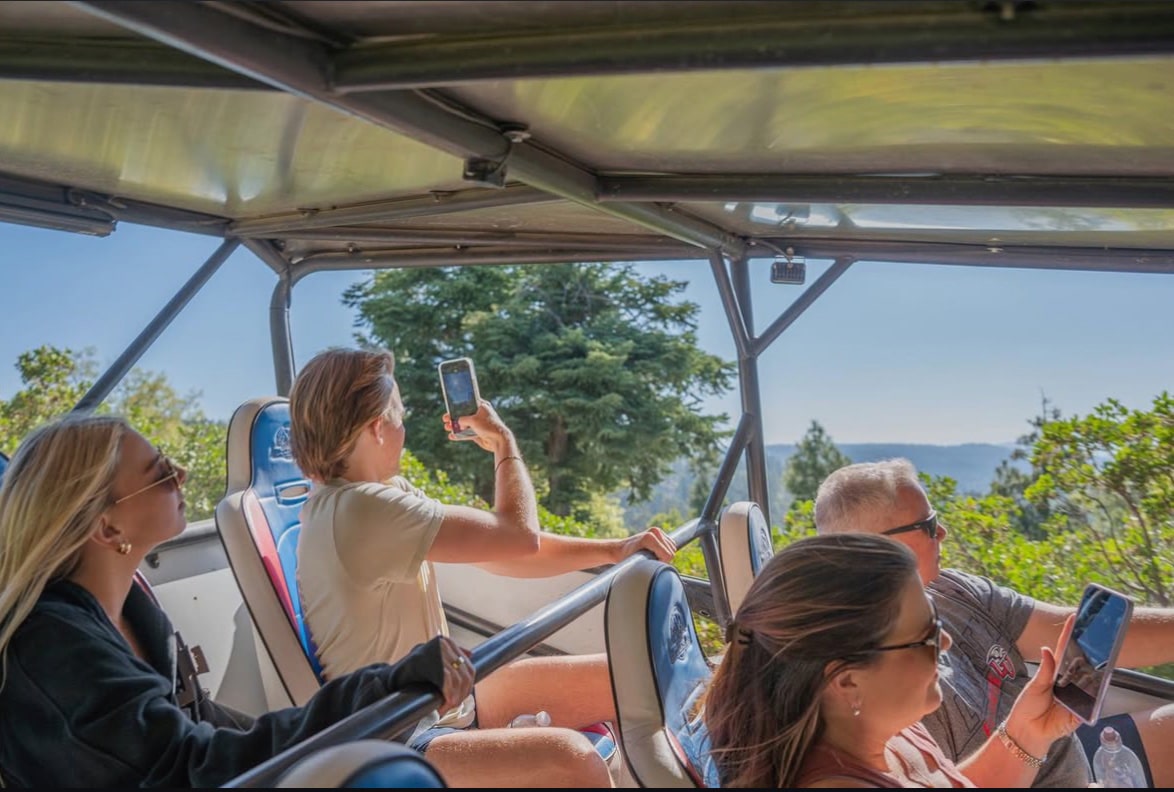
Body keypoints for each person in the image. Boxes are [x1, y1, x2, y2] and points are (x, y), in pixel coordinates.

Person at [0, 414, 474, 788]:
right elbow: (196, 769)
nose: (181, 476)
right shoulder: (53, 649)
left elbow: (217, 735)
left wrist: (385, 700)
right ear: (107, 528)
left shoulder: (133, 616)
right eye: (161, 473)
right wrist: (377, 690)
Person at [288, 346, 678, 788]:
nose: (403, 428)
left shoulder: (379, 493)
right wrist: (502, 444)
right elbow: (519, 535)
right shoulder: (358, 511)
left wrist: (615, 550)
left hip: (444, 698)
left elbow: (507, 552)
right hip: (399, 732)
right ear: (378, 426)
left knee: (636, 674)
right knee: (575, 761)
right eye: (399, 414)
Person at [814, 458, 1174, 788]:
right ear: (874, 547)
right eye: (929, 525)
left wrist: (1034, 733)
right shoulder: (873, 677)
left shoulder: (953, 588)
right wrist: (1025, 736)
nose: (943, 533)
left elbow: (1073, 631)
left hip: (1079, 760)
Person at [703, 532, 1081, 788]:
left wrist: (1029, 732)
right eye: (926, 635)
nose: (945, 641)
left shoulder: (877, 731)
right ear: (847, 680)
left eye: (937, 621)